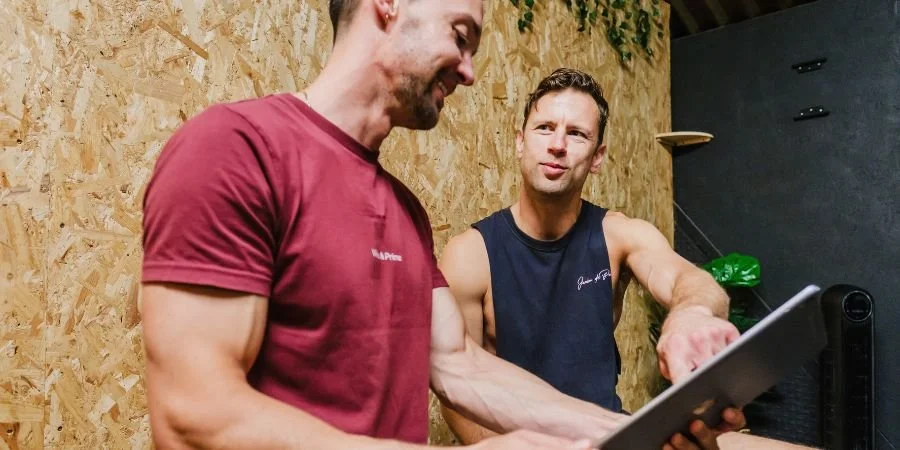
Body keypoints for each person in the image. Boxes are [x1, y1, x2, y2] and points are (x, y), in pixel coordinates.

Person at [139, 0, 743, 448]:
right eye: (461, 36)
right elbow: (195, 415)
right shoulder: (237, 149)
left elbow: (459, 365)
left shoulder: (404, 210)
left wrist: (633, 432)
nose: (470, 70)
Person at [437, 67, 817, 450]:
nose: (557, 145)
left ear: (598, 156)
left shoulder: (618, 235)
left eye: (577, 134)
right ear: (520, 142)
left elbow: (692, 282)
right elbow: (458, 394)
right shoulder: (470, 254)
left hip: (615, 436)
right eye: (544, 128)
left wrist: (690, 314)